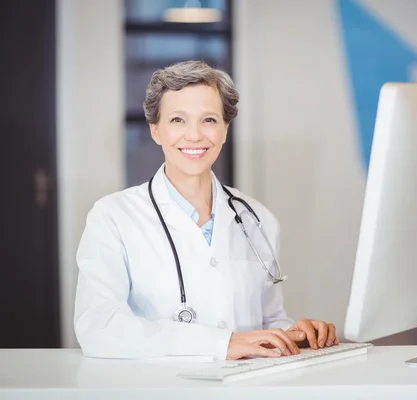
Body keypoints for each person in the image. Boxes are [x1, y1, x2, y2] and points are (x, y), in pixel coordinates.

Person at [73, 60, 338, 360]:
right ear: (155, 131)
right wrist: (221, 344)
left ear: (225, 129)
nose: (195, 135)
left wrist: (294, 335)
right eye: (177, 120)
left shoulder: (257, 219)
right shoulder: (113, 217)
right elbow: (99, 328)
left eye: (209, 120)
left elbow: (269, 320)